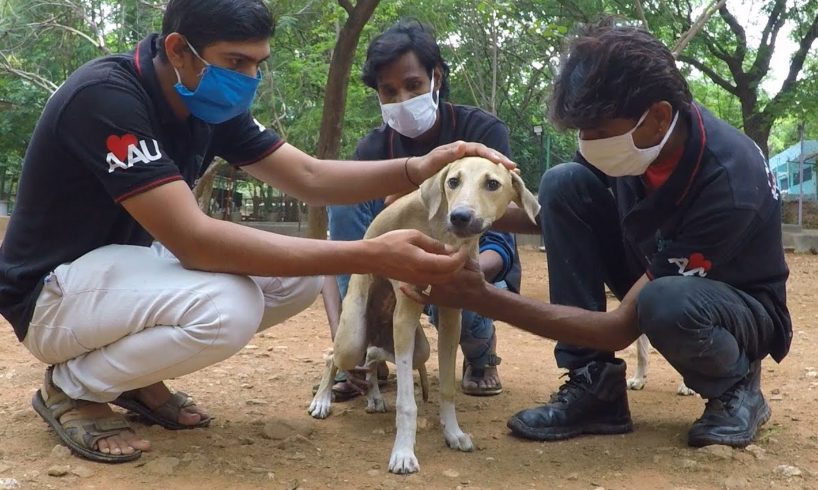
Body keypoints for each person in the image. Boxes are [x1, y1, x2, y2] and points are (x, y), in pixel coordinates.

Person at [0, 0, 512, 463]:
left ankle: (132, 381)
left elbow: (309, 178)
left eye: (257, 64)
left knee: (298, 282)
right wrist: (372, 255)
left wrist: (418, 167)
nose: (249, 77)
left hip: (118, 278)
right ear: (180, 50)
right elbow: (193, 241)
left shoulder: (207, 102)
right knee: (228, 308)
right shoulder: (106, 99)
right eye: (236, 62)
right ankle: (72, 387)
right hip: (52, 293)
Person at [406, 20, 791, 448]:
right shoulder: (632, 139)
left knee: (665, 301)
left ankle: (737, 388)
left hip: (738, 306)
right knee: (563, 184)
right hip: (656, 262)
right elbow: (552, 216)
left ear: (659, 116)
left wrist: (481, 297)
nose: (588, 143)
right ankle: (595, 387)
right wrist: (461, 215)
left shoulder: (731, 182)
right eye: (581, 132)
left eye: (598, 132)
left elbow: (619, 328)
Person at [325, 19, 520, 398]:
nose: (402, 100)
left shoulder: (481, 133)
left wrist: (462, 274)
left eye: (413, 85)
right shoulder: (372, 151)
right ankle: (364, 350)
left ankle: (481, 354)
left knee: (468, 292)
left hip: (466, 257)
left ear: (436, 77)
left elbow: (502, 236)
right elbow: (342, 253)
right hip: (394, 272)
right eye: (389, 90)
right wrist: (344, 333)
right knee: (344, 201)